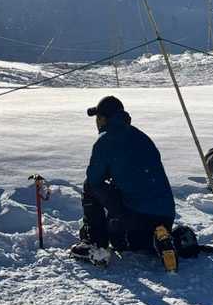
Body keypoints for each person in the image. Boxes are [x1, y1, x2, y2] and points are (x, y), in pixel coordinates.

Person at [71, 95, 176, 266]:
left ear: (103, 119)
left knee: (90, 186)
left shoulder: (105, 140)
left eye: (97, 118)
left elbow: (94, 178)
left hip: (136, 221)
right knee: (125, 196)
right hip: (165, 217)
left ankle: (95, 244)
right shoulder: (141, 136)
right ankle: (161, 238)